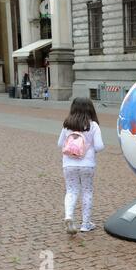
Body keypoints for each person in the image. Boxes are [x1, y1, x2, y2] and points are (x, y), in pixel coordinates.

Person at [57, 97, 105, 235]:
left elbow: (60, 144)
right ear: (90, 109)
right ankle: (86, 224)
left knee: (71, 191)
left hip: (68, 164)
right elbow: (100, 146)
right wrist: (90, 150)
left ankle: (69, 216)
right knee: (87, 191)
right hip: (87, 164)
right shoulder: (93, 125)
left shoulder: (67, 125)